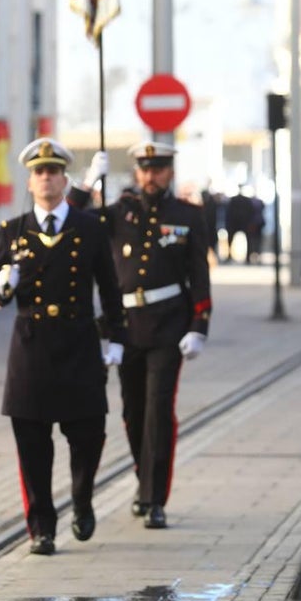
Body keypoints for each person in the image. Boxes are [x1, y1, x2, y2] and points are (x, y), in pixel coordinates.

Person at [0, 138, 126, 556]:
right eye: (39, 172)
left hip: (79, 344)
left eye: (53, 171)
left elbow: (111, 288)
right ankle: (42, 526)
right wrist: (2, 284)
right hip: (31, 350)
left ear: (65, 179)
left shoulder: (89, 227)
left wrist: (116, 337)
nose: (46, 178)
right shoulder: (14, 230)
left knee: (87, 435)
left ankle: (82, 500)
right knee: (32, 444)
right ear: (29, 182)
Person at [69, 140, 212, 529]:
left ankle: (154, 498)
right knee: (134, 411)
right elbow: (67, 221)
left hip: (169, 323)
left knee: (159, 411)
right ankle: (143, 477)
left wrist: (200, 324)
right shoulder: (117, 214)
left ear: (169, 171)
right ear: (136, 173)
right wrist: (86, 184)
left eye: (159, 168)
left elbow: (199, 273)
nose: (152, 175)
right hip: (125, 326)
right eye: (145, 169)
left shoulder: (188, 214)